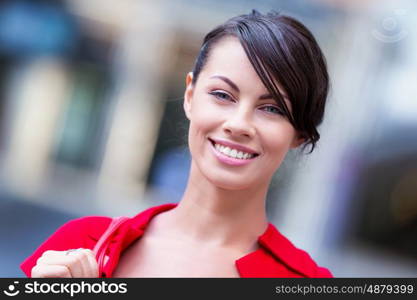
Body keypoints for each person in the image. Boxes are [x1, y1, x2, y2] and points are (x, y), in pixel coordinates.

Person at [20, 9, 332, 278]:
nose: (238, 124)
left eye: (272, 108)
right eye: (223, 95)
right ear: (190, 96)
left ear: (299, 134)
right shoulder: (82, 244)